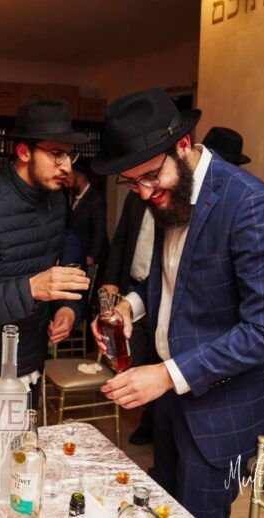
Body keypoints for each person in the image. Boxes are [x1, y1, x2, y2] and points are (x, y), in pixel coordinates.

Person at [91, 88, 264, 517]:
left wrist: (166, 375)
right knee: (164, 504)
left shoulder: (251, 204)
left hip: (221, 408)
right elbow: (171, 281)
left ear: (182, 145)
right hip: (172, 401)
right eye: (131, 182)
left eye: (151, 176)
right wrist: (129, 307)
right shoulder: (170, 195)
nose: (143, 193)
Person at [0, 100, 90, 407]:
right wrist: (30, 289)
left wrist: (67, 308)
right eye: (56, 154)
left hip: (33, 354)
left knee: (25, 438)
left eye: (70, 155)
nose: (67, 167)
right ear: (24, 152)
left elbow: (63, 261)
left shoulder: (56, 199)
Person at [99, 190, 156, 445]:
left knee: (160, 357)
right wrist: (111, 280)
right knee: (136, 356)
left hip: (163, 292)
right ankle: (148, 418)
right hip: (133, 288)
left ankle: (155, 423)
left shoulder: (176, 201)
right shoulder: (135, 197)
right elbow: (121, 239)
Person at [64, 158, 107, 266]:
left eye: (67, 175)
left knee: (91, 277)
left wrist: (92, 256)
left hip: (90, 258)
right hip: (77, 254)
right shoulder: (73, 196)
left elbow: (99, 232)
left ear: (78, 175)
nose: (64, 179)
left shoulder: (96, 199)